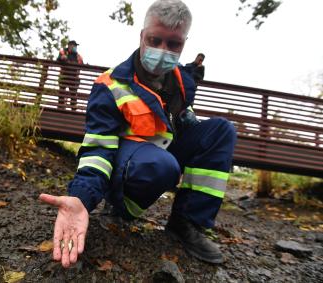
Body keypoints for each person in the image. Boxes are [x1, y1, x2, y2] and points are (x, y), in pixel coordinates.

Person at [40, 0, 236, 268]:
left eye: (174, 44)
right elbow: (98, 149)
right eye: (155, 40)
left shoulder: (181, 82)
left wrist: (209, 148)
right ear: (142, 36)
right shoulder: (110, 85)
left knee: (221, 131)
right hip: (131, 164)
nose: (163, 50)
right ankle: (120, 207)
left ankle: (187, 222)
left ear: (184, 44)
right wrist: (82, 198)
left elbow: (182, 125)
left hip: (161, 152)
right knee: (161, 165)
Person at [56, 40, 84, 110]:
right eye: (74, 45)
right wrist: (62, 58)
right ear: (69, 45)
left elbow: (82, 64)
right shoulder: (63, 52)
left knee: (73, 95)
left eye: (75, 46)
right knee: (62, 93)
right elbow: (58, 59)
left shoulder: (78, 56)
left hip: (74, 78)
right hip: (64, 76)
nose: (75, 47)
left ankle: (73, 110)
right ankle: (60, 108)